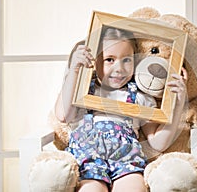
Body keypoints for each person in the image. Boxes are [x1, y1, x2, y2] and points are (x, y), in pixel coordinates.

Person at [55, 27, 188, 192]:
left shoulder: (141, 98)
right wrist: (74, 71)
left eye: (126, 59)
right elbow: (62, 115)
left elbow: (158, 142)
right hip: (87, 163)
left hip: (126, 163)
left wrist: (178, 104)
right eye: (109, 59)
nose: (119, 68)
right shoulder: (81, 90)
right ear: (94, 61)